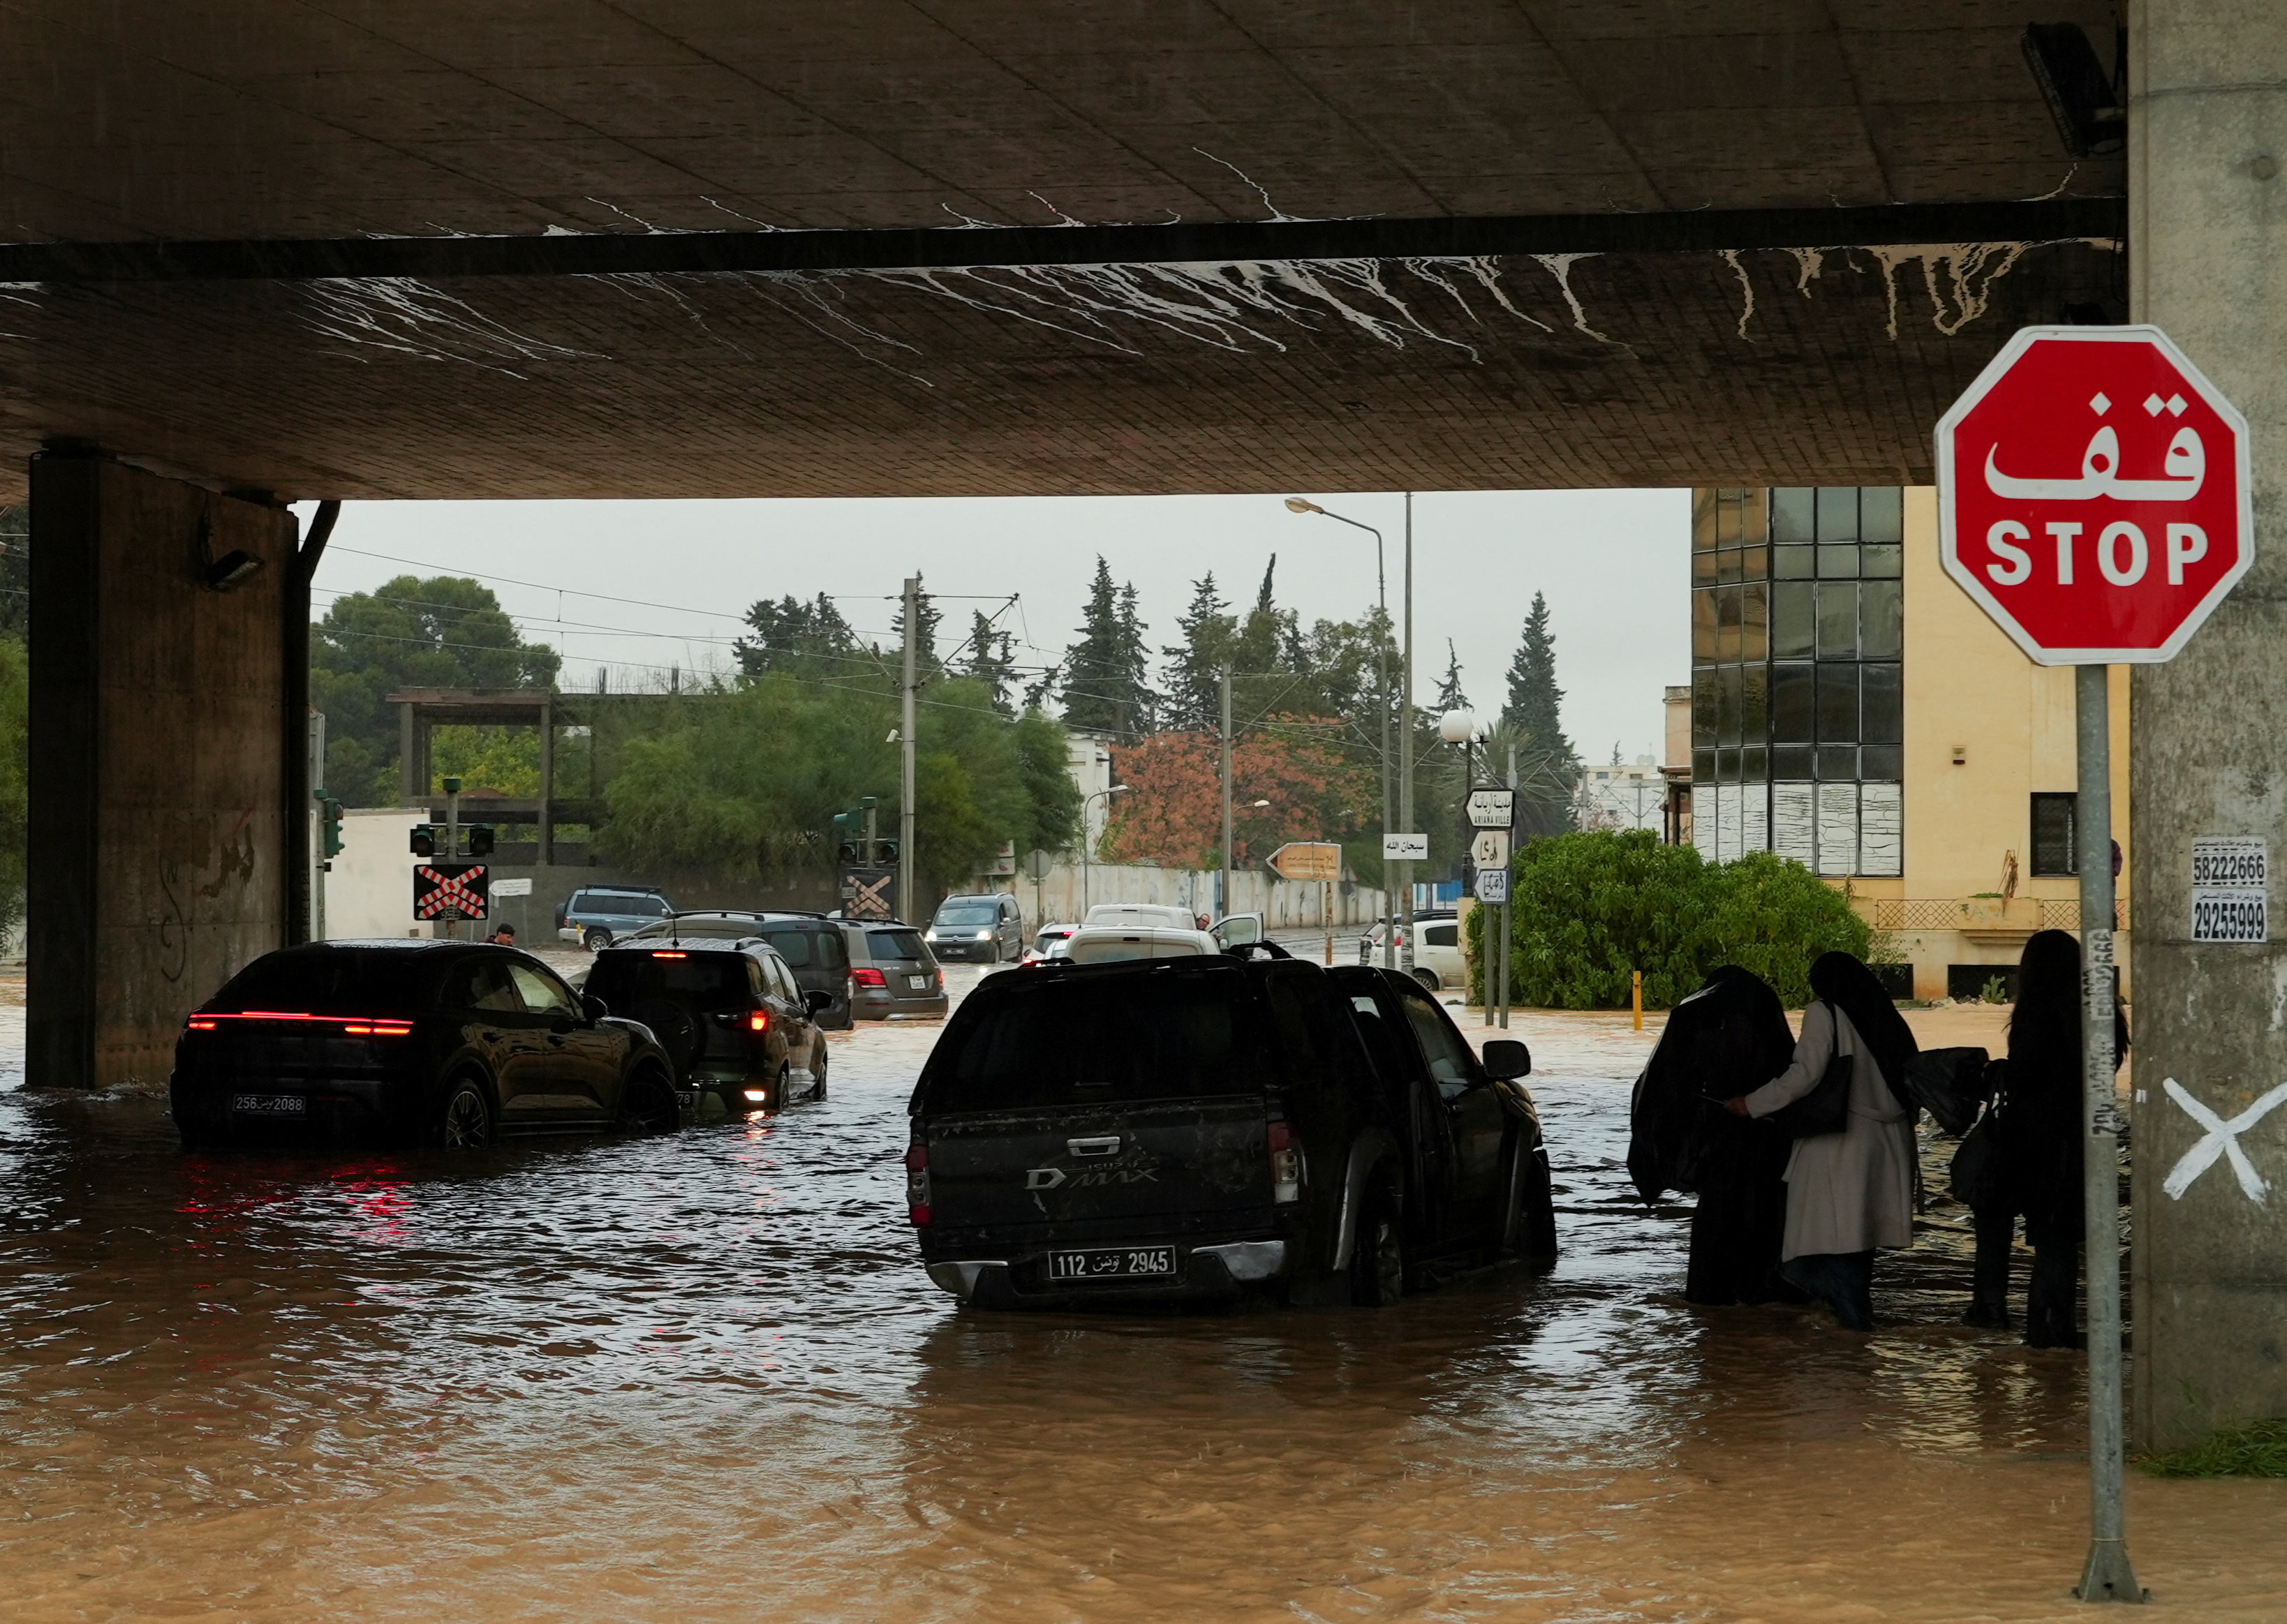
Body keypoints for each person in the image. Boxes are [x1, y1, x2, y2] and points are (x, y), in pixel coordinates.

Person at [1725, 952, 1920, 1332]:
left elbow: (1806, 1074)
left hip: (1840, 1144)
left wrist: (1751, 1104)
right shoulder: (1886, 1017)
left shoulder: (1824, 1012)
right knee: (1860, 1238)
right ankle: (1855, 1339)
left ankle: (1852, 1324)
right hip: (1887, 1142)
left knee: (1825, 1240)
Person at [1965, 929, 2125, 1348]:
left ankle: (1995, 1310)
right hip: (2083, 1134)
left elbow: (2027, 1074)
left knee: (1995, 1213)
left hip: (2033, 1136)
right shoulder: (2102, 1010)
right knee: (2059, 1236)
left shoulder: (2035, 1012)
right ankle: (2053, 1328)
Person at [1628, 967, 1803, 1305]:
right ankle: (1762, 1299)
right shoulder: (1768, 1031)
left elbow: (1670, 1087)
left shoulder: (1701, 1022)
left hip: (1724, 1142)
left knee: (1719, 1220)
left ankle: (1713, 1305)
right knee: (1764, 1218)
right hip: (1769, 1142)